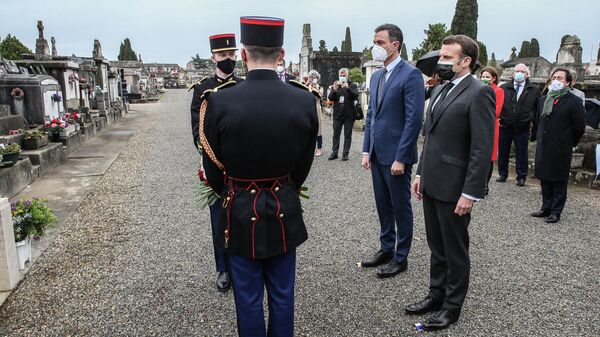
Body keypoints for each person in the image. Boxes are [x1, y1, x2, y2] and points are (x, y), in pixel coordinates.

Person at [200, 16, 318, 337]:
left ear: (242, 54)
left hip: (239, 207)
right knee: (283, 295)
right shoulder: (305, 99)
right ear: (281, 55)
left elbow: (212, 171)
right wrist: (282, 185)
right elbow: (303, 166)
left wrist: (235, 189)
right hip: (283, 204)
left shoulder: (219, 101)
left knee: (248, 299)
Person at [406, 35, 495, 331]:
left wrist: (471, 192)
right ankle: (436, 294)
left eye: (447, 57)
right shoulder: (442, 89)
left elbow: (481, 149)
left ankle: (452, 307)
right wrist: (420, 174)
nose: (441, 61)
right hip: (432, 181)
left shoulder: (479, 92)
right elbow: (431, 138)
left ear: (465, 61)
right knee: (436, 245)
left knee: (455, 250)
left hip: (456, 187)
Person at [360, 24, 424, 278]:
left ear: (395, 45)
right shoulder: (377, 75)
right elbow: (372, 115)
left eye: (380, 42)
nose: (375, 46)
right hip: (377, 153)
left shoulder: (411, 75)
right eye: (374, 41)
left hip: (397, 156)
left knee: (400, 206)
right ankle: (386, 247)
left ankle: (401, 256)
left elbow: (413, 120)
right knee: (382, 205)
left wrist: (401, 157)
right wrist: (366, 150)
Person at [189, 33, 243, 292]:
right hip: (214, 164)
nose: (228, 59)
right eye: (223, 55)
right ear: (213, 57)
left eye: (232, 55)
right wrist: (214, 160)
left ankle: (241, 266)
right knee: (218, 219)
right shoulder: (202, 88)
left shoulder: (244, 85)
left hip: (243, 165)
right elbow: (197, 130)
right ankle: (222, 267)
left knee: (243, 217)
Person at [530, 68, 586, 223]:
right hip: (544, 145)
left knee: (558, 180)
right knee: (544, 178)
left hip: (561, 146)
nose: (556, 80)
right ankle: (545, 207)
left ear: (568, 82)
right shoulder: (544, 99)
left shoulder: (573, 102)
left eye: (560, 78)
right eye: (554, 77)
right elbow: (538, 121)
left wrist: (569, 141)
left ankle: (556, 211)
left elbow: (579, 126)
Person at [496, 64, 541, 186]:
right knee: (503, 150)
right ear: (513, 73)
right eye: (517, 71)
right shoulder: (504, 88)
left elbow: (537, 109)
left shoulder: (534, 90)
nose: (520, 73)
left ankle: (521, 176)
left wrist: (533, 123)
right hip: (505, 124)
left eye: (522, 71)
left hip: (523, 125)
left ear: (527, 74)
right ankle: (503, 173)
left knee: (522, 152)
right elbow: (498, 104)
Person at [480, 67, 505, 195]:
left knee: (489, 156)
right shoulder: (477, 88)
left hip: (490, 126)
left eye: (487, 77)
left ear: (494, 78)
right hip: (477, 124)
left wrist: (479, 113)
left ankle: (485, 185)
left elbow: (497, 111)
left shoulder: (498, 91)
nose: (485, 79)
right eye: (483, 76)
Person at [328, 67, 358, 161]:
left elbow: (355, 95)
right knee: (336, 134)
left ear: (347, 75)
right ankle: (334, 152)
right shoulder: (336, 84)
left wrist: (347, 88)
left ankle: (345, 154)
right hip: (338, 114)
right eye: (340, 75)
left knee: (347, 135)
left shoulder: (352, 84)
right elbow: (331, 98)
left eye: (344, 75)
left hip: (349, 114)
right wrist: (334, 89)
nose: (342, 77)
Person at [307, 69, 325, 157]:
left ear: (317, 78)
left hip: (317, 106)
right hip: (307, 107)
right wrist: (308, 85)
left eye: (314, 77)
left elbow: (319, 95)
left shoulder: (320, 87)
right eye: (311, 77)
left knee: (318, 128)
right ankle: (309, 148)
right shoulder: (306, 86)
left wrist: (313, 87)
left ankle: (319, 148)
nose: (312, 79)